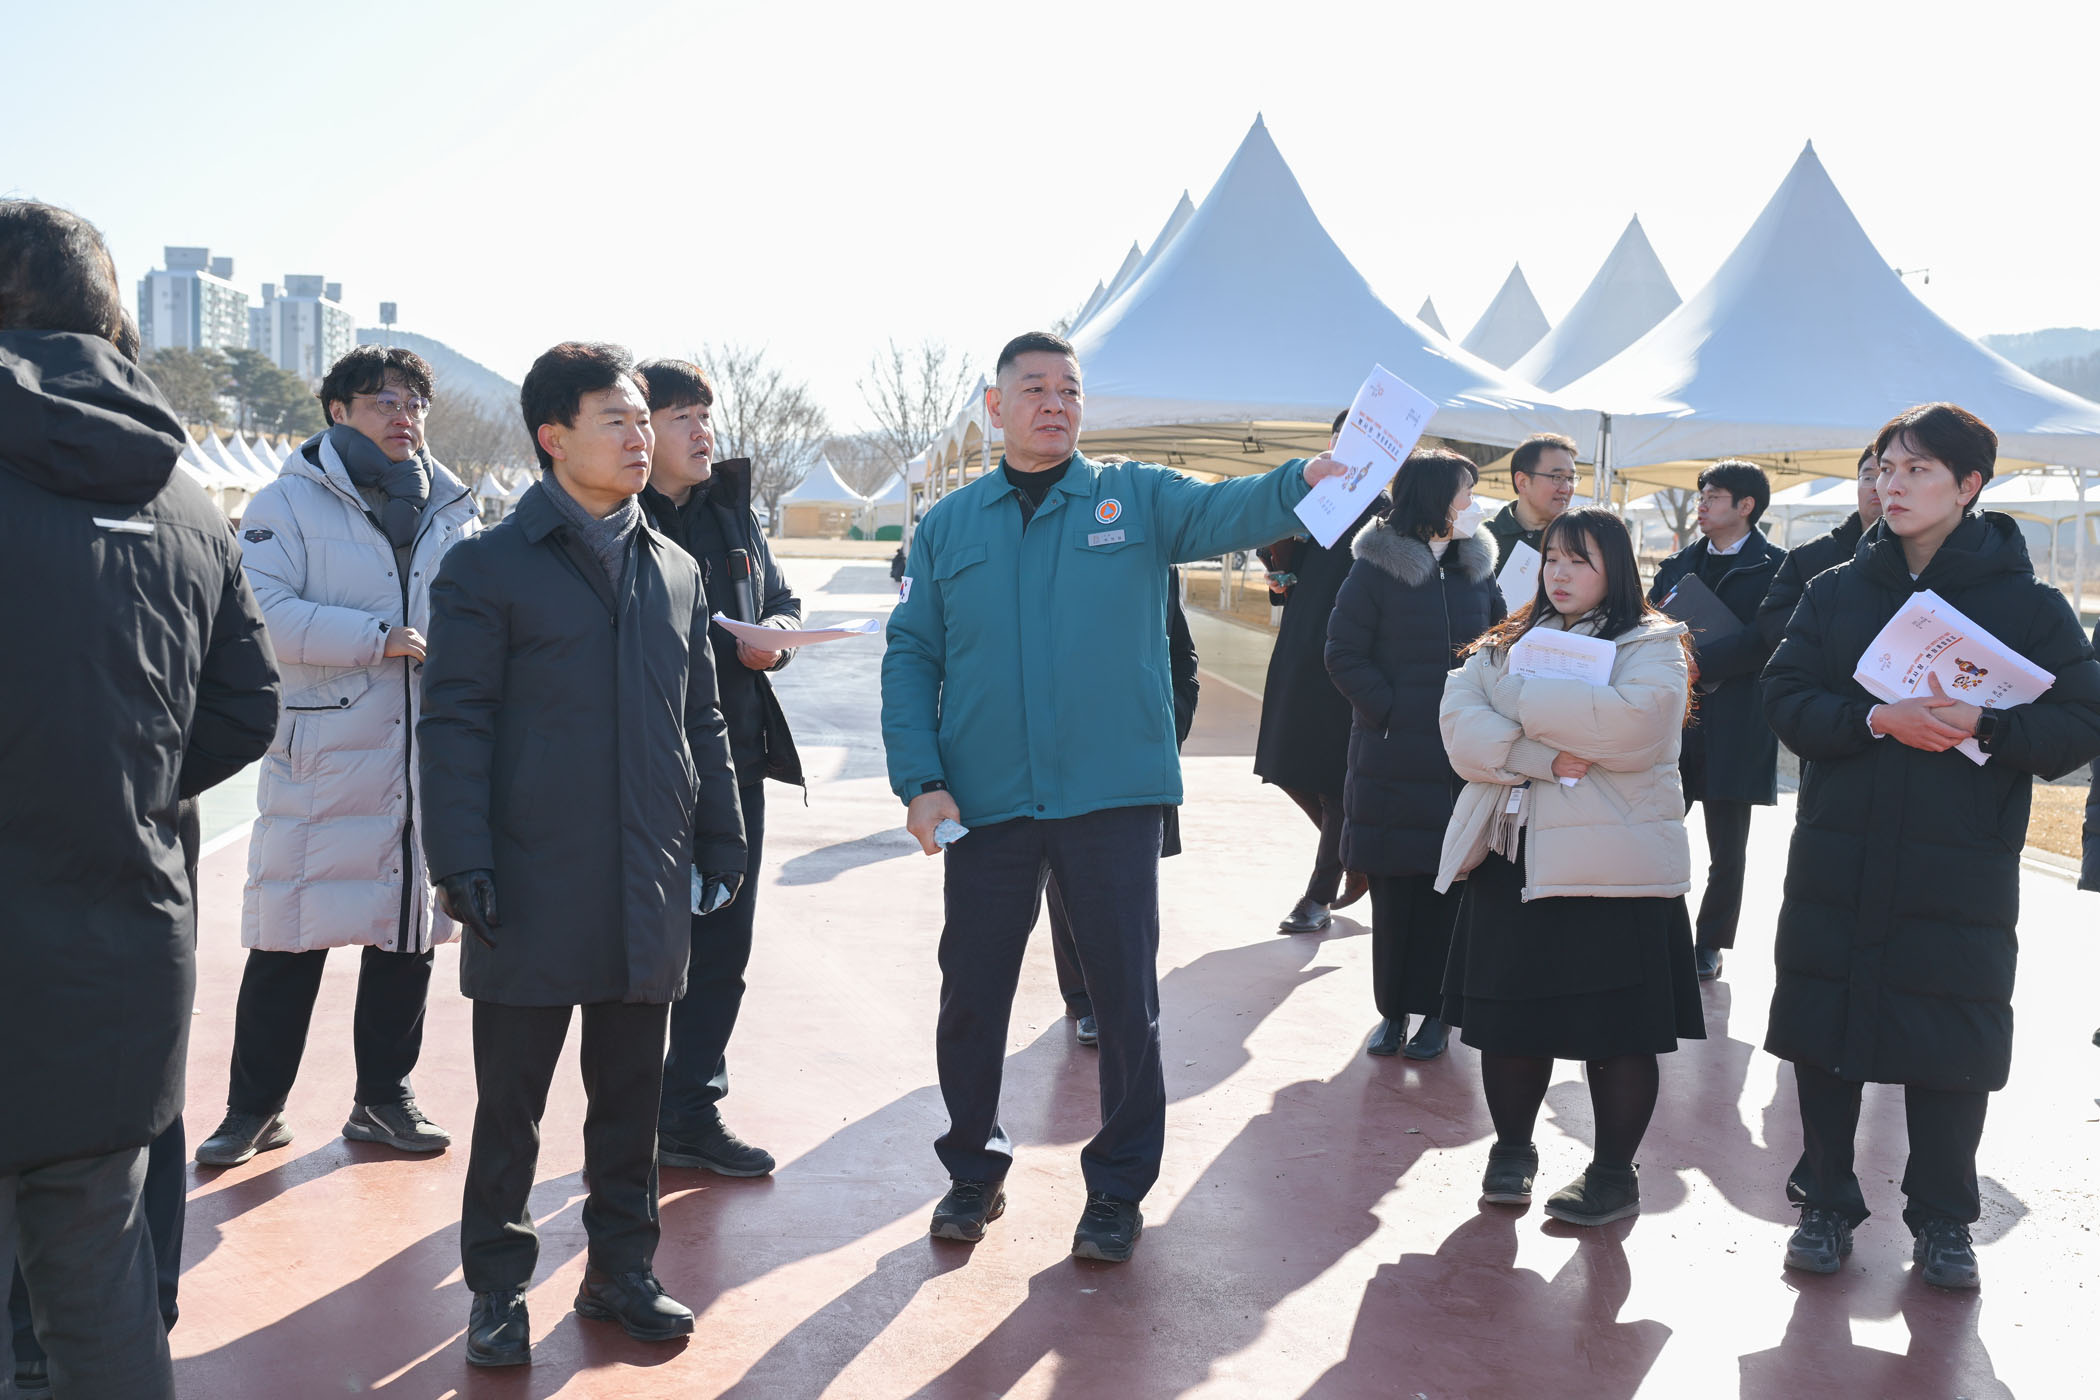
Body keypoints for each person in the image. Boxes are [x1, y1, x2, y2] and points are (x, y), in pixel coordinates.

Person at [881, 330, 1346, 1263]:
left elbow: (1228, 507)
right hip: (987, 801)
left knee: (1126, 1001)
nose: (1054, 403)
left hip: (1111, 796)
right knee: (972, 993)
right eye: (1034, 389)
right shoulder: (949, 525)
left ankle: (1118, 1189)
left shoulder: (1135, 497)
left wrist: (1304, 478)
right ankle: (972, 1171)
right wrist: (921, 782)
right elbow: (913, 653)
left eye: (1070, 389)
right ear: (995, 407)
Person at [418, 342, 747, 1366]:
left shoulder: (676, 569)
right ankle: (497, 1286)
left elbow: (702, 718)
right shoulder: (486, 567)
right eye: (618, 419)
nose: (642, 436)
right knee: (511, 1103)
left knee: (632, 1095)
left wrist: (721, 830)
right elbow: (454, 719)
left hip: (647, 874)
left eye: (645, 419)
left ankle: (621, 1269)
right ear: (554, 436)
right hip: (526, 875)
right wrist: (460, 856)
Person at [0, 200, 279, 1400]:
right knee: (101, 1294)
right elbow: (247, 706)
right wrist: (124, 777)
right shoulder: (184, 499)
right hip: (121, 953)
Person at [1763, 402, 2100, 1290]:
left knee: (1953, 1038)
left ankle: (1945, 1219)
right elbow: (1784, 697)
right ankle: (1825, 1202)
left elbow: (2081, 718)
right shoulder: (1833, 590)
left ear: (1969, 485)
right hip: (1841, 850)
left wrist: (1985, 723)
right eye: (1885, 468)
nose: (1893, 484)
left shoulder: (2029, 605)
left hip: (1961, 858)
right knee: (1825, 1028)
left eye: (1918, 469)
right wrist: (1875, 719)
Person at [193, 345, 480, 1169]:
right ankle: (253, 1110)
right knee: (289, 936)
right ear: (338, 411)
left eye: (415, 402)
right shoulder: (284, 500)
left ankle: (384, 1099)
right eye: (384, 400)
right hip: (324, 750)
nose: (404, 416)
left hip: (423, 754)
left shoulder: (451, 506)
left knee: (407, 935)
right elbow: (259, 611)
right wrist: (375, 638)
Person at [1436, 507, 1703, 1226]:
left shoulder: (1653, 643)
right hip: (1515, 856)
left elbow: (1632, 728)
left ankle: (1613, 1175)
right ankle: (1511, 1152)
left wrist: (1513, 695)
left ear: (1617, 568)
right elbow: (1460, 729)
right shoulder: (1506, 640)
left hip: (1614, 869)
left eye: (1579, 560)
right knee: (1509, 1020)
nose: (1560, 572)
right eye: (1552, 557)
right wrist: (1539, 755)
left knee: (1619, 1032)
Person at [635, 357, 804, 1177]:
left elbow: (781, 602)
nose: (703, 433)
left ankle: (690, 1112)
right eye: (684, 418)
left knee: (723, 945)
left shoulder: (735, 512)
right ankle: (627, 1119)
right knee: (637, 950)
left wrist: (777, 638)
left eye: (707, 416)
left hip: (734, 760)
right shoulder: (611, 516)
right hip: (636, 768)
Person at [1325, 448, 1501, 1061]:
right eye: (1464, 492)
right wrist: (1396, 712)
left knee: (1450, 893)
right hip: (1393, 759)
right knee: (1396, 894)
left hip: (1461, 759)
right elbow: (1342, 653)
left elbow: (1499, 644)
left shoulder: (1476, 567)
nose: (1472, 504)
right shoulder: (1376, 568)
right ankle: (1393, 1012)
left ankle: (1439, 1017)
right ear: (1435, 498)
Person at [1048, 563, 1200, 1046]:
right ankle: (1084, 999)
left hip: (1135, 752)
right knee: (1064, 875)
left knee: (1130, 885)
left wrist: (1169, 724)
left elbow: (1182, 655)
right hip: (1061, 747)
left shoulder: (1155, 560)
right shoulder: (1047, 556)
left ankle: (1125, 998)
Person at [1646, 459, 1785, 981]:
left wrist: (1707, 664)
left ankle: (1710, 942)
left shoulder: (1778, 567)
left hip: (1739, 719)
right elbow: (1649, 618)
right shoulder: (1679, 563)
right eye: (1701, 494)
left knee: (1728, 848)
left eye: (1713, 497)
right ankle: (1655, 928)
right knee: (1656, 828)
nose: (1701, 505)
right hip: (1677, 716)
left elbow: (1768, 637)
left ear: (1746, 506)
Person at [1253, 408, 1380, 933]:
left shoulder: (1388, 516)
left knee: (1333, 779)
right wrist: (1278, 571)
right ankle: (1355, 853)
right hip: (1297, 644)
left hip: (1351, 653)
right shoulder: (1306, 498)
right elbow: (1282, 568)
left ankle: (1319, 895)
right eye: (1340, 437)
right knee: (1282, 764)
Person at [1756, 446, 1880, 652]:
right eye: (1868, 478)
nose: (1876, 486)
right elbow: (1774, 618)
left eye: (1886, 474)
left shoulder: (1924, 553)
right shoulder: (1808, 556)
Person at [1482, 432, 1578, 573]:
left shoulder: (1579, 540)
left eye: (1571, 478)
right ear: (1523, 482)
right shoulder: (1482, 539)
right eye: (1557, 477)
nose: (1566, 489)